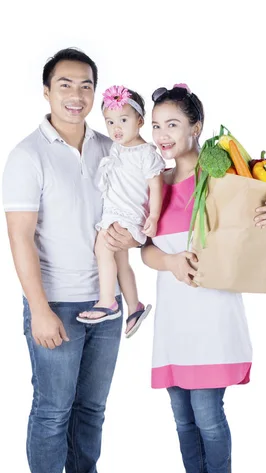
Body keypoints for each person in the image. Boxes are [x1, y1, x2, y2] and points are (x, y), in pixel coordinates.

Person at [141, 84, 266, 473]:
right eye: (155, 125)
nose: (162, 134)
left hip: (211, 315)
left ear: (196, 128)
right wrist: (169, 261)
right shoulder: (154, 182)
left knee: (208, 413)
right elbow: (147, 251)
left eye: (172, 124)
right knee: (181, 415)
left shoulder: (224, 175)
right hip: (173, 316)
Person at [2, 48, 137, 473]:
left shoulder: (112, 147)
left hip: (105, 302)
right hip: (55, 303)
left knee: (92, 408)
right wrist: (37, 308)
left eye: (85, 86)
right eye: (65, 85)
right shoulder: (27, 155)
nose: (76, 95)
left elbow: (137, 204)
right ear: (46, 91)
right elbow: (20, 237)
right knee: (53, 410)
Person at [77, 85, 165, 337]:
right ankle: (134, 306)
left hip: (129, 215)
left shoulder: (145, 153)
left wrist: (154, 216)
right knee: (120, 261)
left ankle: (107, 301)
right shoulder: (118, 146)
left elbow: (155, 186)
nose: (116, 128)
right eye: (110, 122)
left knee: (103, 246)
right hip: (114, 211)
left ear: (139, 121)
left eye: (123, 120)